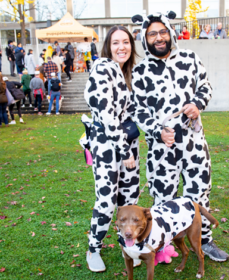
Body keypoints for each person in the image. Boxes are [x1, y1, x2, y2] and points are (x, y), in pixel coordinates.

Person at [131, 11, 229, 262]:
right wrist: (157, 131)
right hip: (162, 148)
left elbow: (205, 85)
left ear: (171, 33)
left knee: (199, 194)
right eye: (152, 33)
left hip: (194, 143)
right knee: (164, 197)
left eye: (163, 31)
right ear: (145, 38)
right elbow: (138, 110)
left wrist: (197, 103)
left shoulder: (190, 57)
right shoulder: (140, 71)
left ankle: (204, 241)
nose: (159, 37)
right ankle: (164, 245)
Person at [82, 25, 140, 272]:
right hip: (108, 144)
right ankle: (93, 249)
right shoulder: (103, 68)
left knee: (129, 201)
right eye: (115, 42)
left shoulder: (127, 72)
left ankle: (128, 245)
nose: (121, 47)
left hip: (127, 142)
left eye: (125, 42)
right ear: (108, 46)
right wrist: (125, 151)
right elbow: (106, 115)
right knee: (106, 201)